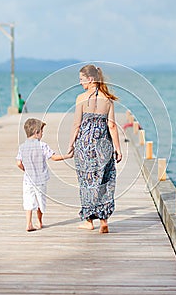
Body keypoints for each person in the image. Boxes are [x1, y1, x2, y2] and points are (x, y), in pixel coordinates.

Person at [68, 64, 122, 234]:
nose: (80, 83)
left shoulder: (81, 98)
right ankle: (104, 220)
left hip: (85, 145)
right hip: (104, 145)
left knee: (87, 181)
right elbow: (112, 126)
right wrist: (118, 149)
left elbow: (76, 124)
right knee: (104, 181)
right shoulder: (108, 100)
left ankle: (89, 221)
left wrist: (71, 143)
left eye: (82, 80)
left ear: (90, 79)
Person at [16, 118, 73, 232]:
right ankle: (39, 222)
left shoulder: (22, 147)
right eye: (42, 132)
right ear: (37, 132)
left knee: (28, 200)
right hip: (40, 180)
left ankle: (28, 224)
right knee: (40, 201)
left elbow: (19, 163)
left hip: (28, 180)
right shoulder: (42, 146)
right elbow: (54, 157)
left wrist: (26, 170)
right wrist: (67, 156)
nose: (42, 134)